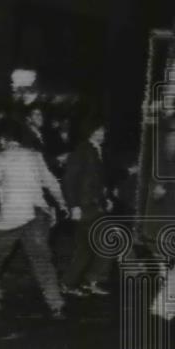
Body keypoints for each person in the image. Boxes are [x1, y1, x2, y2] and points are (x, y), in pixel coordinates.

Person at [0, 118, 69, 319]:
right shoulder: (35, 156)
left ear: (3, 139)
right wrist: (62, 203)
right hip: (37, 213)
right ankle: (56, 305)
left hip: (12, 216)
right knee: (41, 260)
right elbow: (51, 182)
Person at [60, 120, 113, 297]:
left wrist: (106, 199)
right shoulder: (82, 150)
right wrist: (74, 206)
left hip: (95, 206)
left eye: (103, 131)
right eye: (97, 131)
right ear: (89, 132)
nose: (102, 135)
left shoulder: (98, 150)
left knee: (85, 248)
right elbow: (69, 180)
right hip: (85, 207)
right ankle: (91, 280)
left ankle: (70, 283)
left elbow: (98, 182)